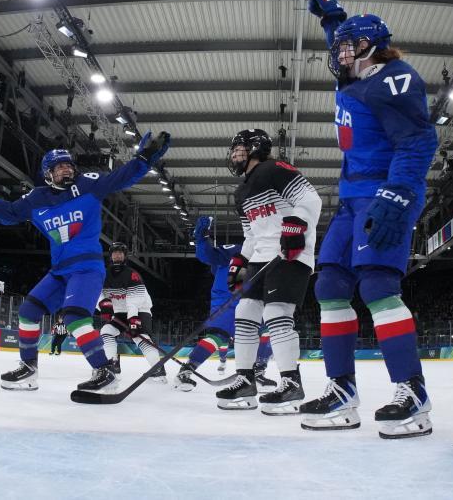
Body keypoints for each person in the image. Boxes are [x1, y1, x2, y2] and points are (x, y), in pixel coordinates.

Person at [299, 0, 438, 439]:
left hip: (385, 190)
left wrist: (398, 195)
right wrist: (331, 17)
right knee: (330, 284)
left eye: (345, 45)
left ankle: (412, 391)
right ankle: (341, 389)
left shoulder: (393, 78)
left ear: (368, 47)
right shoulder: (355, 71)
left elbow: (418, 142)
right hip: (352, 198)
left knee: (378, 283)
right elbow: (339, 44)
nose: (336, 53)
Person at [0, 132, 170, 391]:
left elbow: (120, 177)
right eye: (60, 167)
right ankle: (29, 369)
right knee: (28, 312)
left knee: (75, 318)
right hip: (59, 271)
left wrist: (144, 158)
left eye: (69, 164)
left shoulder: (89, 184)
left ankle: (105, 371)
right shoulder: (36, 198)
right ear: (48, 173)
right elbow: (9, 213)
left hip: (86, 269)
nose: (67, 169)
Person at [216, 129, 321, 412]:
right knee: (245, 312)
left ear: (254, 148)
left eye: (238, 148)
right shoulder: (241, 192)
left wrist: (296, 224)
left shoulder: (274, 169)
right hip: (261, 257)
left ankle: (291, 383)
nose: (234, 154)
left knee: (276, 314)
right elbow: (251, 235)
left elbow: (310, 200)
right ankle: (245, 380)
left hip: (290, 253)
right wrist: (240, 260)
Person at [174, 216, 273, 392]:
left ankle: (257, 372)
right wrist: (202, 238)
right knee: (218, 336)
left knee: (268, 330)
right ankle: (186, 371)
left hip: (252, 300)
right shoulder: (236, 250)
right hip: (226, 299)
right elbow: (208, 255)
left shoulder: (268, 252)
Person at [98, 242, 167, 383]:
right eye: (115, 252)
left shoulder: (132, 274)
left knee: (140, 337)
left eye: (120, 253)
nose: (117, 255)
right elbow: (95, 292)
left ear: (124, 256)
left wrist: (133, 318)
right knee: (106, 331)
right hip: (118, 313)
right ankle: (112, 366)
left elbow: (135, 298)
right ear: (111, 256)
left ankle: (158, 371)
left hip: (139, 310)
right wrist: (103, 305)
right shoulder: (103, 273)